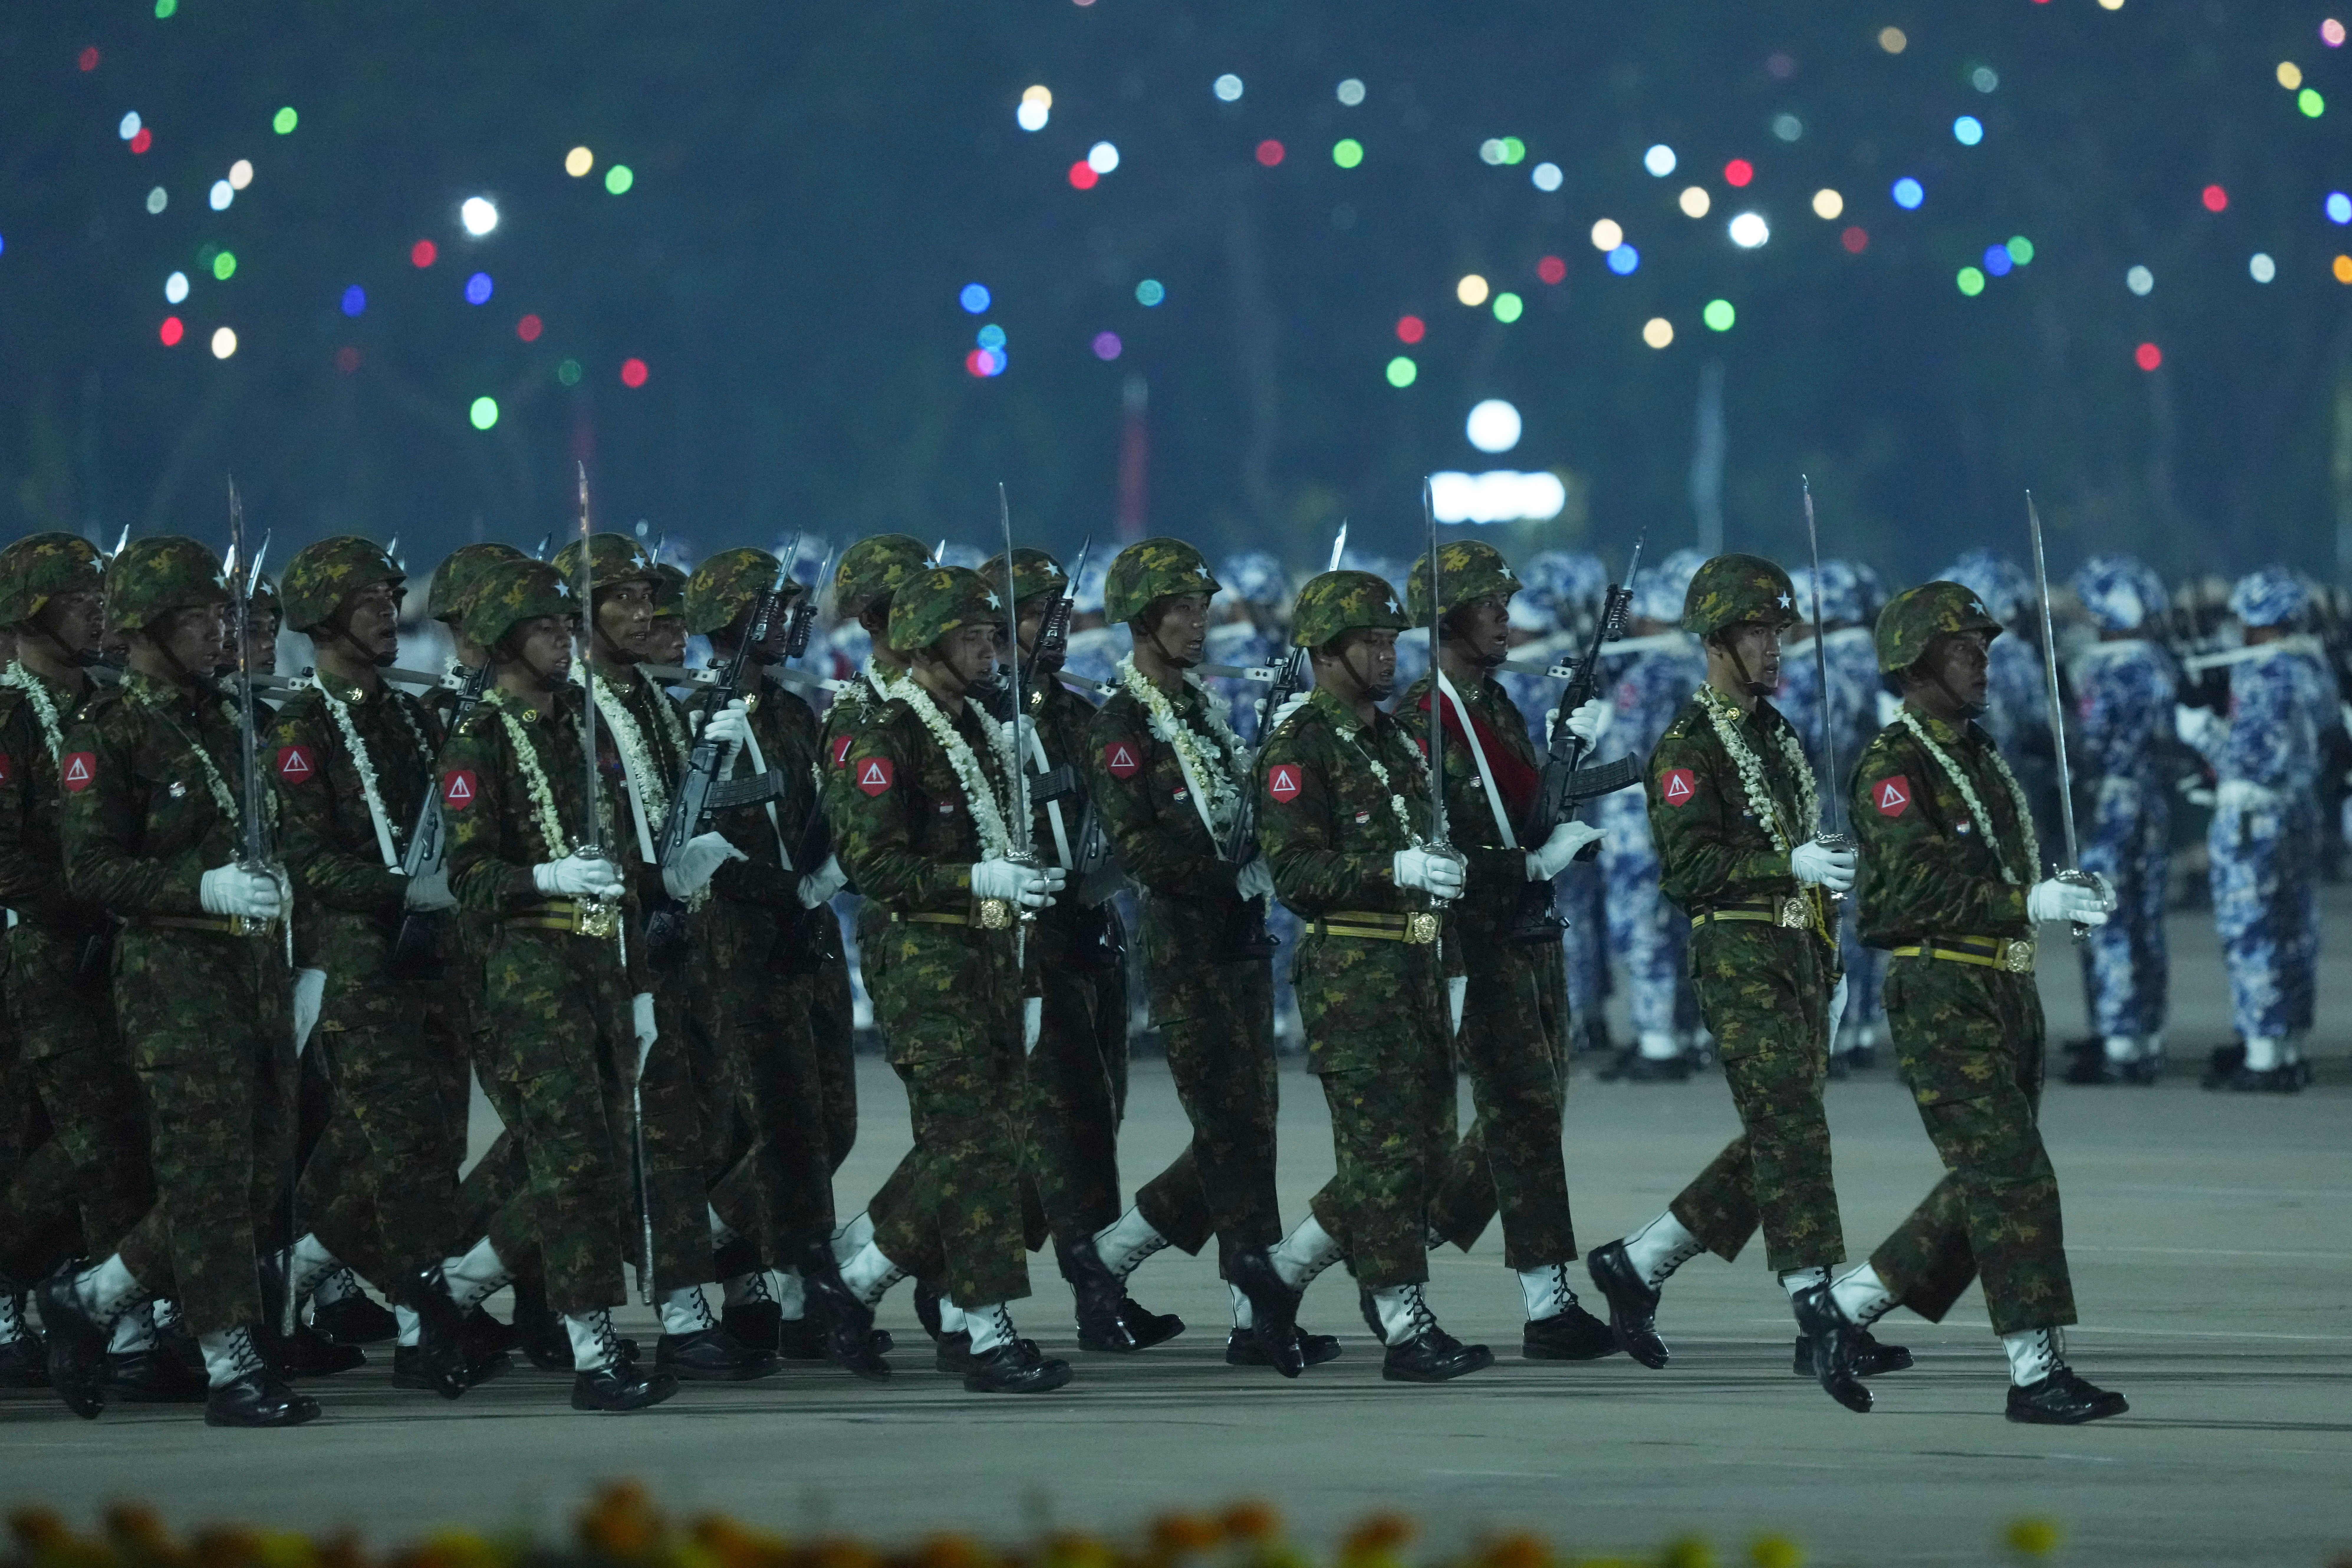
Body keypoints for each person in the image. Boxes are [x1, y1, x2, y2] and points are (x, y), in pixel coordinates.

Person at [1803, 579, 2128, 1424]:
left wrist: (2052, 891)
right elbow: (1914, 891)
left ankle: (1842, 1309)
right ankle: (2034, 1371)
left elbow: (1991, 868)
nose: (1981, 662)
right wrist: (2028, 903)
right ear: (1914, 664)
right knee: (2014, 1175)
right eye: (1961, 650)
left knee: (1986, 1176)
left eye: (1983, 647)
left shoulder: (1976, 754)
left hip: (2003, 986)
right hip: (1942, 987)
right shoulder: (1892, 766)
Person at [1581, 554, 1896, 1386]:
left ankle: (1640, 1261)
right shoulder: (1687, 747)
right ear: (1716, 641)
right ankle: (1819, 1314)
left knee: (1777, 1133)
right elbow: (1687, 871)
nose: (1775, 647)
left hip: (1799, 951)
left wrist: (1822, 921)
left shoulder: (1773, 732)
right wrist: (1785, 867)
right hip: (1740, 952)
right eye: (1759, 632)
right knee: (1793, 1131)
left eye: (1780, 632)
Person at [44, 537, 311, 1427]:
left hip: (254, 972)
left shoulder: (232, 721)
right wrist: (197, 888)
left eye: (221, 616)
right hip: (174, 984)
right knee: (205, 1174)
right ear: (149, 629)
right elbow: (91, 871)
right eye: (198, 617)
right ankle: (232, 1365)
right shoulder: (108, 733)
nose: (217, 632)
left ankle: (89, 1300)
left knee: (257, 1171)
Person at [264, 535, 522, 1399]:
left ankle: (294, 1276)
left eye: (390, 596)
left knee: (425, 1144)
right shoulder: (301, 727)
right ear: (321, 619)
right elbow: (309, 860)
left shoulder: (415, 716)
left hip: (435, 956)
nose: (387, 611)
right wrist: (404, 891)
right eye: (368, 600)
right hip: (362, 962)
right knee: (406, 1151)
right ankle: (425, 1323)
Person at [436, 555, 676, 1411]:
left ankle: (454, 1290)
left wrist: (639, 983)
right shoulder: (478, 741)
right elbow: (466, 878)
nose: (562, 642)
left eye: (565, 626)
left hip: (599, 965)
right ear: (504, 642)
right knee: (573, 1161)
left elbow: (616, 860)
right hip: (527, 974)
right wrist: (543, 878)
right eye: (545, 629)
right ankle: (593, 1350)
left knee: (594, 1159)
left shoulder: (581, 726)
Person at [827, 565, 1074, 1393]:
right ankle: (986, 1330)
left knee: (989, 1145)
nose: (990, 650)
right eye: (973, 637)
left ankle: (856, 1287)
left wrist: (1022, 933)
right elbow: (873, 866)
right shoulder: (887, 735)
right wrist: (978, 881)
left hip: (990, 960)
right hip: (929, 963)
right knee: (969, 1149)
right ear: (927, 643)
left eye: (992, 636)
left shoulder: (973, 727)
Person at [1081, 539, 1322, 1377]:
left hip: (1238, 938)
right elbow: (1142, 851)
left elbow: (1235, 806)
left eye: (1201, 606)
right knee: (1230, 1128)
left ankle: (1116, 1258)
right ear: (1143, 619)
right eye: (1181, 608)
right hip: (1185, 942)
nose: (1199, 621)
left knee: (1248, 1127)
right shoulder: (1122, 723)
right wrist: (1229, 872)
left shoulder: (1191, 712)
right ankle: (1251, 1311)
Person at [1253, 569, 1491, 1383]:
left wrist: (1449, 958)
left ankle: (1277, 1278)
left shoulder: (1395, 741)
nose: (1388, 656)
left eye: (1392, 640)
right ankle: (1400, 1320)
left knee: (1421, 1155)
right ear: (1324, 652)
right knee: (1381, 1153)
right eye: (1370, 642)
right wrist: (1394, 868)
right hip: (1354, 972)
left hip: (1417, 966)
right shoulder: (1298, 748)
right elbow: (1297, 873)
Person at [549, 531, 771, 1382]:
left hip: (681, 942)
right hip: (613, 949)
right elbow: (586, 835)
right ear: (582, 614)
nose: (645, 614)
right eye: (624, 600)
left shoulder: (644, 696)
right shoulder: (572, 708)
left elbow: (667, 811)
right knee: (657, 1135)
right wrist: (655, 887)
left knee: (713, 1122)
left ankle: (477, 1280)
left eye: (648, 599)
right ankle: (681, 1309)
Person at [1396, 541, 1618, 1361]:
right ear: (1446, 616)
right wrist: (1527, 862)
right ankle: (1544, 1300)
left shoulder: (1494, 706)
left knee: (1532, 1111)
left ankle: (1373, 1232)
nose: (1505, 615)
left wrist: (1568, 758)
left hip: (1526, 935)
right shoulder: (1424, 715)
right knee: (1519, 1114)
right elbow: (1433, 845)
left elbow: (1523, 810)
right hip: (1471, 941)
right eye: (1488, 603)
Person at [677, 546, 883, 1376]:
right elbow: (687, 840)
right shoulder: (698, 714)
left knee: (827, 1124)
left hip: (805, 935)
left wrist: (828, 870)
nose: (795, 622)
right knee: (767, 1127)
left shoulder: (794, 713)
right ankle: (776, 1289)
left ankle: (727, 1249)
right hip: (734, 939)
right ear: (735, 619)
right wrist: (780, 887)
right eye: (775, 608)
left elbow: (819, 813)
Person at [981, 546, 1183, 1357]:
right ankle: (1098, 1300)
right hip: (1029, 945)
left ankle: (928, 1266)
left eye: (1061, 611)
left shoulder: (1075, 713)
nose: (1056, 627)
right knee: (1071, 1131)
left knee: (1096, 1118)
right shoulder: (979, 721)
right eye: (1035, 614)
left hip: (1093, 929)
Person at [0, 534, 182, 1402]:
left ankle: (124, 1321)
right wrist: (90, 904)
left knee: (123, 1141)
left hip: (116, 950)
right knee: (87, 1146)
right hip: (43, 956)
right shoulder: (6, 717)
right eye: (79, 599)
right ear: (32, 613)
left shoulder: (108, 708)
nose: (99, 612)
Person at [2182, 567, 2332, 1090]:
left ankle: (2266, 1058)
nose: (2240, 631)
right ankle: (2284, 1045)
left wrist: (2201, 731)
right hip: (2293, 812)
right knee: (2292, 933)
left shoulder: (2270, 673)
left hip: (2256, 817)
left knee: (2254, 933)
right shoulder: (2310, 668)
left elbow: (2250, 757)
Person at [1593, 549, 1709, 1079]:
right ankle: (1682, 1032)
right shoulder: (1698, 665)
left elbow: (1630, 750)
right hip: (1685, 816)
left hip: (1639, 819)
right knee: (1678, 929)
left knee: (1644, 929)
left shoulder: (1655, 670)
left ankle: (1656, 1042)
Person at [2063, 556, 2178, 1085]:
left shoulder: (2113, 668)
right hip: (2151, 802)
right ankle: (2143, 1038)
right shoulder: (2160, 663)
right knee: (2144, 921)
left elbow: (2093, 745)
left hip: (2113, 803)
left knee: (2104, 916)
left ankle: (2116, 1041)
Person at [1779, 559, 1889, 1075]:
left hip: (1820, 802)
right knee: (1860, 915)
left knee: (1822, 922)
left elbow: (1792, 743)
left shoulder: (1810, 668)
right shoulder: (1878, 662)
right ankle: (1862, 1028)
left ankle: (1834, 1036)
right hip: (1869, 806)